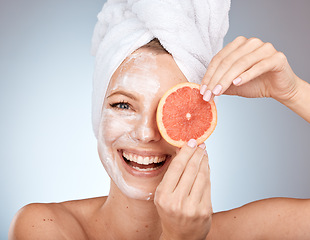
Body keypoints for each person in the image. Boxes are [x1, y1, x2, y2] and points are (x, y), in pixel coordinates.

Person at [9, 1, 310, 240]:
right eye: (123, 104)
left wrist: (294, 92)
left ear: (198, 121)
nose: (147, 133)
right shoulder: (45, 227)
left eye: (168, 108)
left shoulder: (247, 231)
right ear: (97, 114)